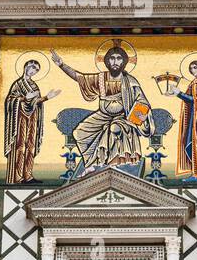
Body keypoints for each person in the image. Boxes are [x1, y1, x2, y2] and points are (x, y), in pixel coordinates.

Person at [50, 44, 151, 174]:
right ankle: (91, 164)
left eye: (119, 58)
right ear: (107, 61)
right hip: (102, 115)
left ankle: (114, 164)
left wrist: (141, 116)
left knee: (114, 129)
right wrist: (61, 65)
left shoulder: (130, 81)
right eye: (112, 58)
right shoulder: (101, 79)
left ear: (124, 62)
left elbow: (142, 101)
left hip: (123, 117)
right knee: (79, 133)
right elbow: (79, 78)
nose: (115, 62)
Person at [3, 59, 59, 184]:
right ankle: (18, 177)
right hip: (20, 117)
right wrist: (23, 98)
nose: (33, 71)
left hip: (32, 117)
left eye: (36, 70)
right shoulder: (18, 84)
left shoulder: (34, 85)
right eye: (32, 67)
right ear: (26, 67)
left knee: (31, 146)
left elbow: (35, 102)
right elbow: (10, 101)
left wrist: (46, 98)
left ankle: (28, 175)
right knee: (20, 145)